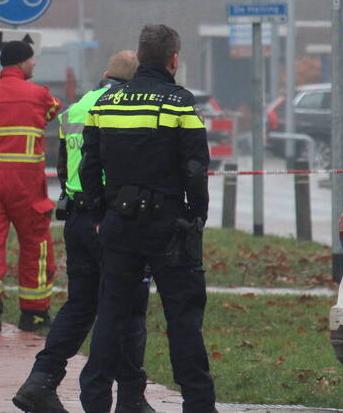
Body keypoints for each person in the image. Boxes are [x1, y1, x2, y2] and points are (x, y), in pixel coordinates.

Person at [78, 25, 214, 413]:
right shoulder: (179, 104)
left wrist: (100, 214)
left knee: (112, 314)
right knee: (183, 319)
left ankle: (94, 399)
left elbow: (90, 166)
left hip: (118, 224)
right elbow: (194, 168)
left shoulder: (105, 104)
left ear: (140, 57)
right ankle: (198, 404)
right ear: (173, 59)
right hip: (169, 225)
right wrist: (195, 217)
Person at [13, 50, 155, 413]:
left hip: (77, 217)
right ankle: (129, 398)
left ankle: (40, 381)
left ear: (106, 72)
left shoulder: (75, 108)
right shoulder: (125, 107)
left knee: (80, 305)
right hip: (112, 220)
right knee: (127, 309)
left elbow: (63, 167)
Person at [0, 40, 61, 332]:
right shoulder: (39, 94)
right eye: (32, 60)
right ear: (21, 63)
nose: (34, 64)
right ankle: (33, 313)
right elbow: (53, 110)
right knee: (35, 244)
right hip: (27, 185)